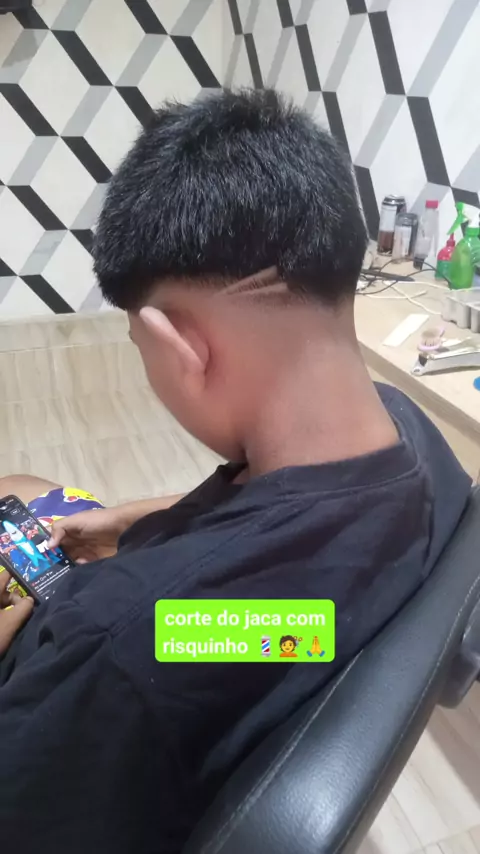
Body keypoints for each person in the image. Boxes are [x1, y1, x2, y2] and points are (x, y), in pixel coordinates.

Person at [0, 89, 471, 854]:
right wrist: (134, 523)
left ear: (177, 344)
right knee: (20, 490)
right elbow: (281, 626)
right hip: (219, 640)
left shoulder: (119, 639)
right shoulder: (412, 438)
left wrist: (27, 619)